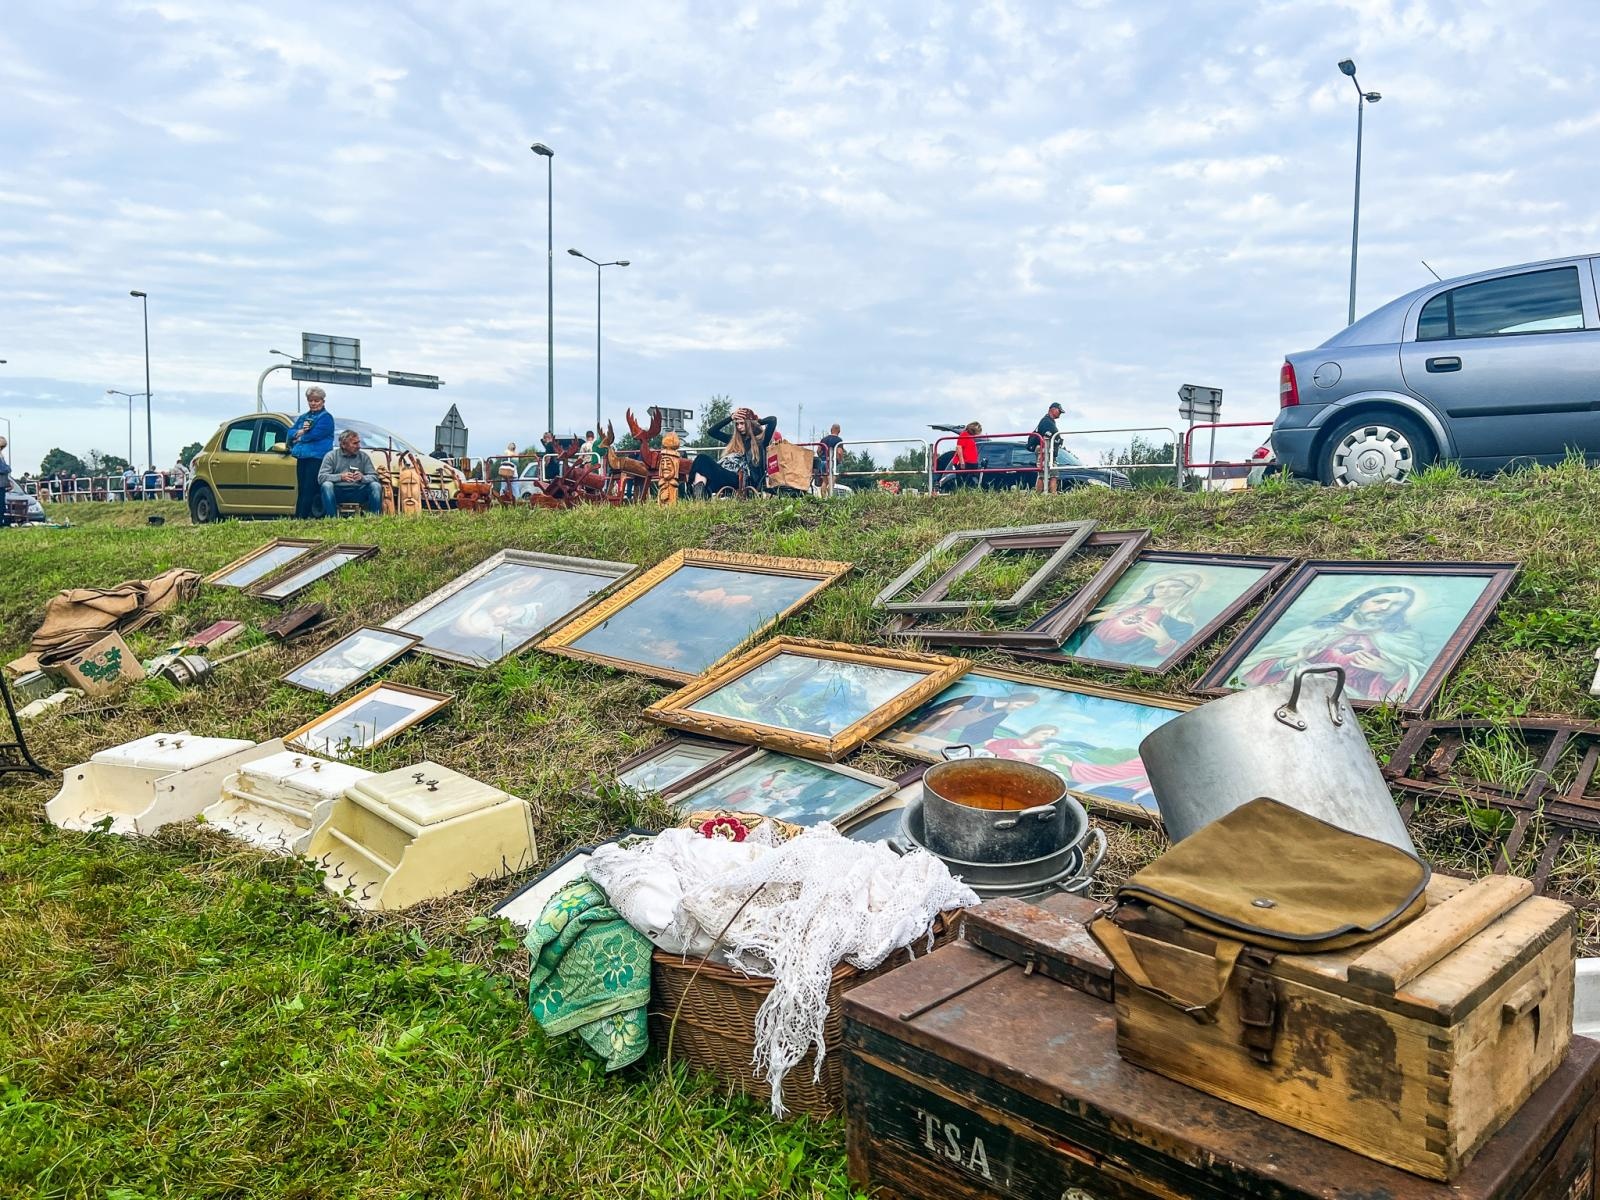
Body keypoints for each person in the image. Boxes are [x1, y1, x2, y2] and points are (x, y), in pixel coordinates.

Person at [1235, 584, 1432, 703]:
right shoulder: (1315, 631)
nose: (1386, 608)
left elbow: (1416, 679)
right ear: (1358, 602)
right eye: (1380, 601)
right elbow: (1251, 668)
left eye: (1397, 605)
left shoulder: (1402, 639)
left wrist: (1392, 671)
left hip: (1356, 703)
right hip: (1297, 694)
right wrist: (1294, 659)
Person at [1066, 571, 1203, 667]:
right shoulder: (1128, 605)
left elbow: (1182, 653)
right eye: (1160, 586)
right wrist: (1098, 618)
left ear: (1186, 591)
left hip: (1123, 655)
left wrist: (1163, 640)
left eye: (1175, 586)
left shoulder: (1179, 620)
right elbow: (1086, 619)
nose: (1165, 590)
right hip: (1089, 643)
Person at [689, 407, 777, 498]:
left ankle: (698, 495)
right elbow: (712, 432)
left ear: (749, 423)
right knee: (702, 459)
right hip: (728, 475)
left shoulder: (760, 441)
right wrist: (730, 418)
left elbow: (772, 420)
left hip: (745, 481)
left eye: (742, 423)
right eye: (737, 424)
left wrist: (755, 420)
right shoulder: (734, 440)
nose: (739, 427)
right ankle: (698, 496)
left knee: (703, 460)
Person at [288, 387, 336, 518]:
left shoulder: (326, 418)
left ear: (322, 401)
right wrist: (299, 432)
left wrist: (301, 437)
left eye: (316, 400)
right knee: (302, 488)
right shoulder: (304, 417)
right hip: (303, 457)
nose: (313, 403)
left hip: (317, 457)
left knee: (310, 488)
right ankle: (299, 517)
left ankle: (306, 516)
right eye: (311, 401)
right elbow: (290, 432)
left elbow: (316, 434)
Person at [318, 429, 382, 515]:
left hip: (358, 492)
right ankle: (332, 518)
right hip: (338, 492)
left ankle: (375, 518)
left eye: (359, 443)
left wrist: (362, 478)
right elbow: (321, 477)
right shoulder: (331, 456)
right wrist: (340, 477)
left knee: (375, 486)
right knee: (327, 485)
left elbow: (374, 477)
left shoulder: (363, 457)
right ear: (343, 445)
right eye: (355, 443)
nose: (359, 446)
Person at [1032, 402, 1063, 491]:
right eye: (1059, 411)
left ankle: (1047, 495)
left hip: (1049, 450)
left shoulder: (1049, 421)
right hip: (1045, 449)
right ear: (1052, 409)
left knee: (1050, 474)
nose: (1060, 413)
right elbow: (1047, 437)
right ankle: (1046, 496)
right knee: (1046, 475)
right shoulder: (1046, 421)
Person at [815, 423, 845, 490]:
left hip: (823, 461)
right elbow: (839, 452)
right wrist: (839, 461)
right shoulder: (839, 440)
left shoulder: (823, 439)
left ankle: (823, 499)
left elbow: (818, 450)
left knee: (825, 482)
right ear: (839, 431)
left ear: (831, 430)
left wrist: (822, 458)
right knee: (832, 481)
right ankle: (830, 497)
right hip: (833, 462)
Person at [955, 421, 982, 487]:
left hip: (971, 463)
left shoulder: (970, 436)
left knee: (970, 481)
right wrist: (962, 462)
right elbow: (959, 447)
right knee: (963, 481)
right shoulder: (964, 434)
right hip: (966, 463)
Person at [0, 436, 11, 526]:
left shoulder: (1, 456)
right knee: (0, 505)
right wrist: (8, 468)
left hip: (2, 484)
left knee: (2, 505)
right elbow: (2, 468)